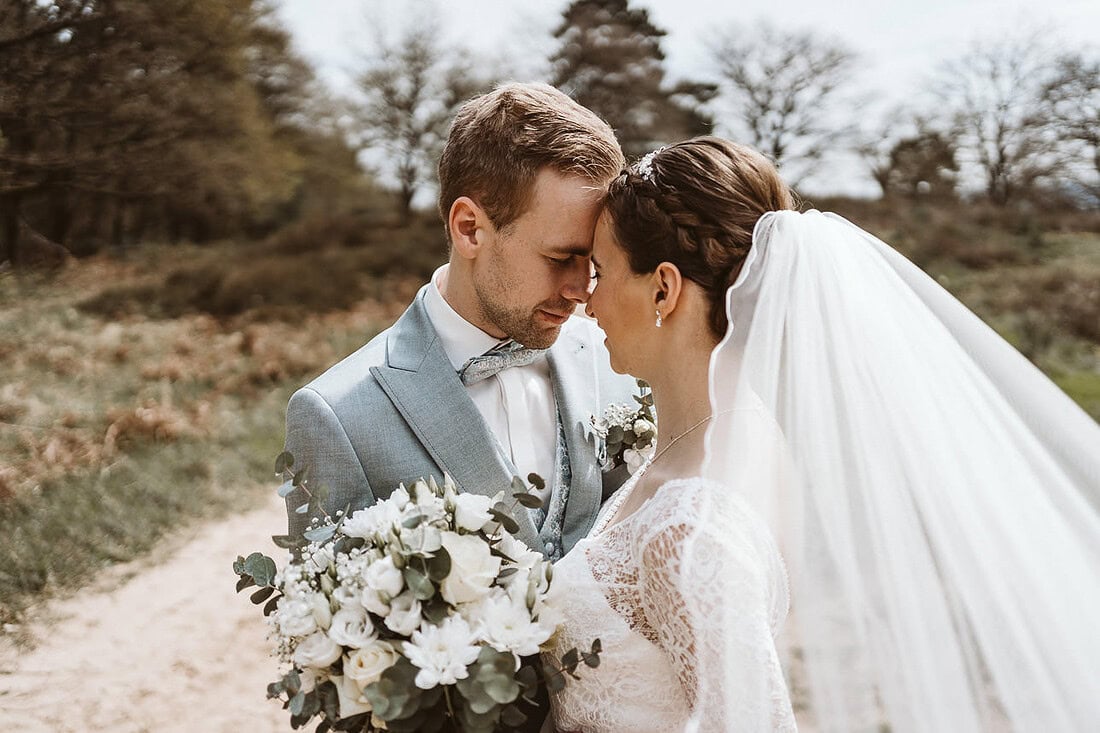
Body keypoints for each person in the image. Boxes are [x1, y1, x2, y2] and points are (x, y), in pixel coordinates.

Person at [546, 136, 1100, 732]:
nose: (585, 296)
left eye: (600, 272)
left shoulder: (689, 526)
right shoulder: (738, 438)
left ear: (664, 288)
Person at [282, 82, 637, 570]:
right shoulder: (337, 418)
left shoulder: (618, 360)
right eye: (560, 258)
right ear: (469, 227)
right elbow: (325, 636)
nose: (582, 290)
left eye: (592, 260)